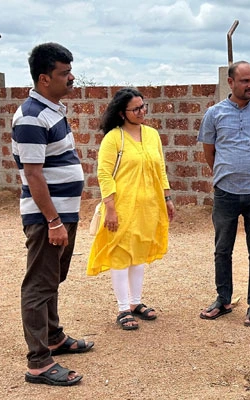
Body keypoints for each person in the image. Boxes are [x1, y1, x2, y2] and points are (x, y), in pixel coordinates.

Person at [12, 42, 93, 386]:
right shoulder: (31, 116)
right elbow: (33, 173)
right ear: (45, 79)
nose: (71, 77)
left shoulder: (53, 110)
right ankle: (39, 362)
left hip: (63, 213)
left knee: (52, 280)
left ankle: (54, 338)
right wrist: (54, 221)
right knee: (38, 284)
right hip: (48, 217)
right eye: (64, 73)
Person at [197, 61, 250, 327]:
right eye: (245, 81)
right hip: (225, 194)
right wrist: (227, 174)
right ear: (231, 83)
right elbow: (209, 150)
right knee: (222, 249)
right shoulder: (214, 114)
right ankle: (223, 299)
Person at [87, 87, 175, 331]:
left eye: (143, 106)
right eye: (136, 108)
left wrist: (167, 198)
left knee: (139, 252)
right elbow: (104, 174)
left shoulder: (152, 134)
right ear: (122, 113)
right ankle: (123, 307)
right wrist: (110, 207)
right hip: (122, 206)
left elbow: (161, 169)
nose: (142, 111)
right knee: (120, 254)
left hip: (149, 205)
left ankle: (136, 302)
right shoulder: (114, 138)